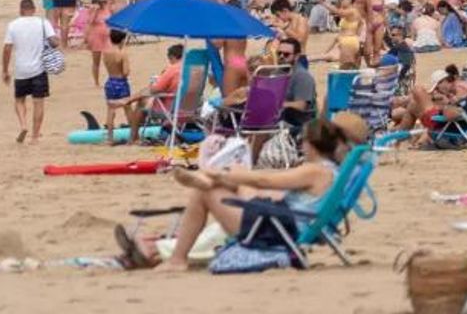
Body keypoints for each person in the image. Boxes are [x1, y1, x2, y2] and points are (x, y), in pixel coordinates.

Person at [147, 115, 358, 272]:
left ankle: (177, 259)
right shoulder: (331, 171)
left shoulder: (314, 171)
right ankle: (210, 178)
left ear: (311, 144)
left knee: (205, 193)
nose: (301, 146)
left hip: (275, 229)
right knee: (235, 185)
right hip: (286, 221)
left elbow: (264, 179)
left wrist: (238, 175)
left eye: (303, 141)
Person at [3, 0, 58, 144]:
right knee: (38, 103)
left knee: (19, 100)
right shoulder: (42, 23)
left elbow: (7, 49)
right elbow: (54, 42)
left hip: (21, 70)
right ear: (33, 9)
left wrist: (5, 70)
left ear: (20, 10)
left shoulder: (13, 25)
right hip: (39, 69)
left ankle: (23, 125)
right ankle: (34, 136)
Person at [98, 29, 137, 144]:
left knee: (110, 110)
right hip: (121, 82)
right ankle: (132, 137)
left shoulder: (106, 52)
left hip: (110, 80)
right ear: (122, 39)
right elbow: (126, 72)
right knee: (128, 109)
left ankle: (110, 138)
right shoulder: (122, 53)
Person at [275, 37, 317, 133]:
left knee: (261, 129)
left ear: (297, 56)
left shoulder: (302, 76)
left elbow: (301, 105)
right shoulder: (278, 72)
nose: (281, 57)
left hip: (297, 123)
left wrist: (279, 104)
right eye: (279, 53)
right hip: (281, 118)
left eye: (286, 54)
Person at [83, 0, 114, 85]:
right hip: (95, 37)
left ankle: (111, 79)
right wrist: (95, 11)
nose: (104, 3)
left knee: (109, 59)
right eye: (103, 2)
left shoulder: (108, 9)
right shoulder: (93, 9)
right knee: (96, 61)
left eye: (105, 1)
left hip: (107, 36)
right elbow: (89, 22)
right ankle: (96, 82)